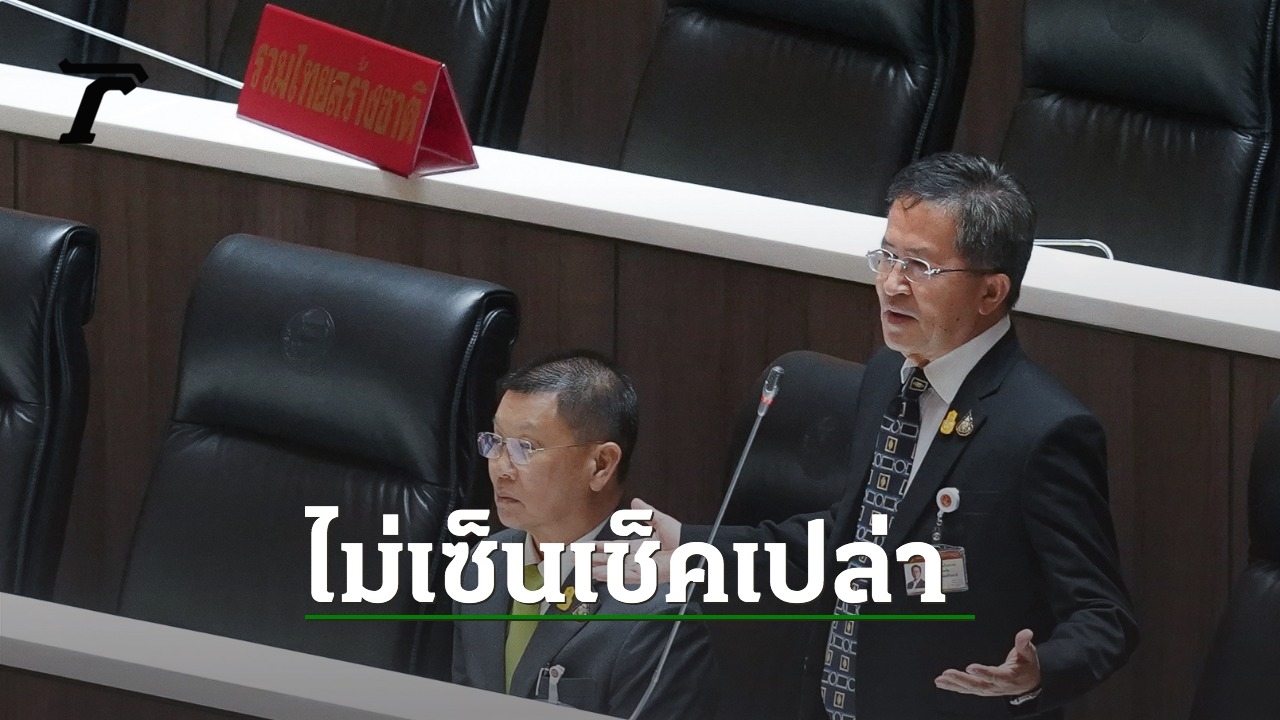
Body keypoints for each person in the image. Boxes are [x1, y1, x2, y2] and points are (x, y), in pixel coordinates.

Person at [602, 153, 1138, 719]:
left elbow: (1104, 616)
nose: (891, 284)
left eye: (920, 267)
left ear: (990, 292)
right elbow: (857, 534)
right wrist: (697, 547)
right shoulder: (888, 375)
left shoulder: (1045, 430)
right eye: (887, 257)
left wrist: (1037, 673)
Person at [451, 351, 715, 719]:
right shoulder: (484, 565)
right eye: (495, 441)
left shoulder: (657, 614)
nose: (501, 469)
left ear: (601, 465)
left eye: (525, 447)